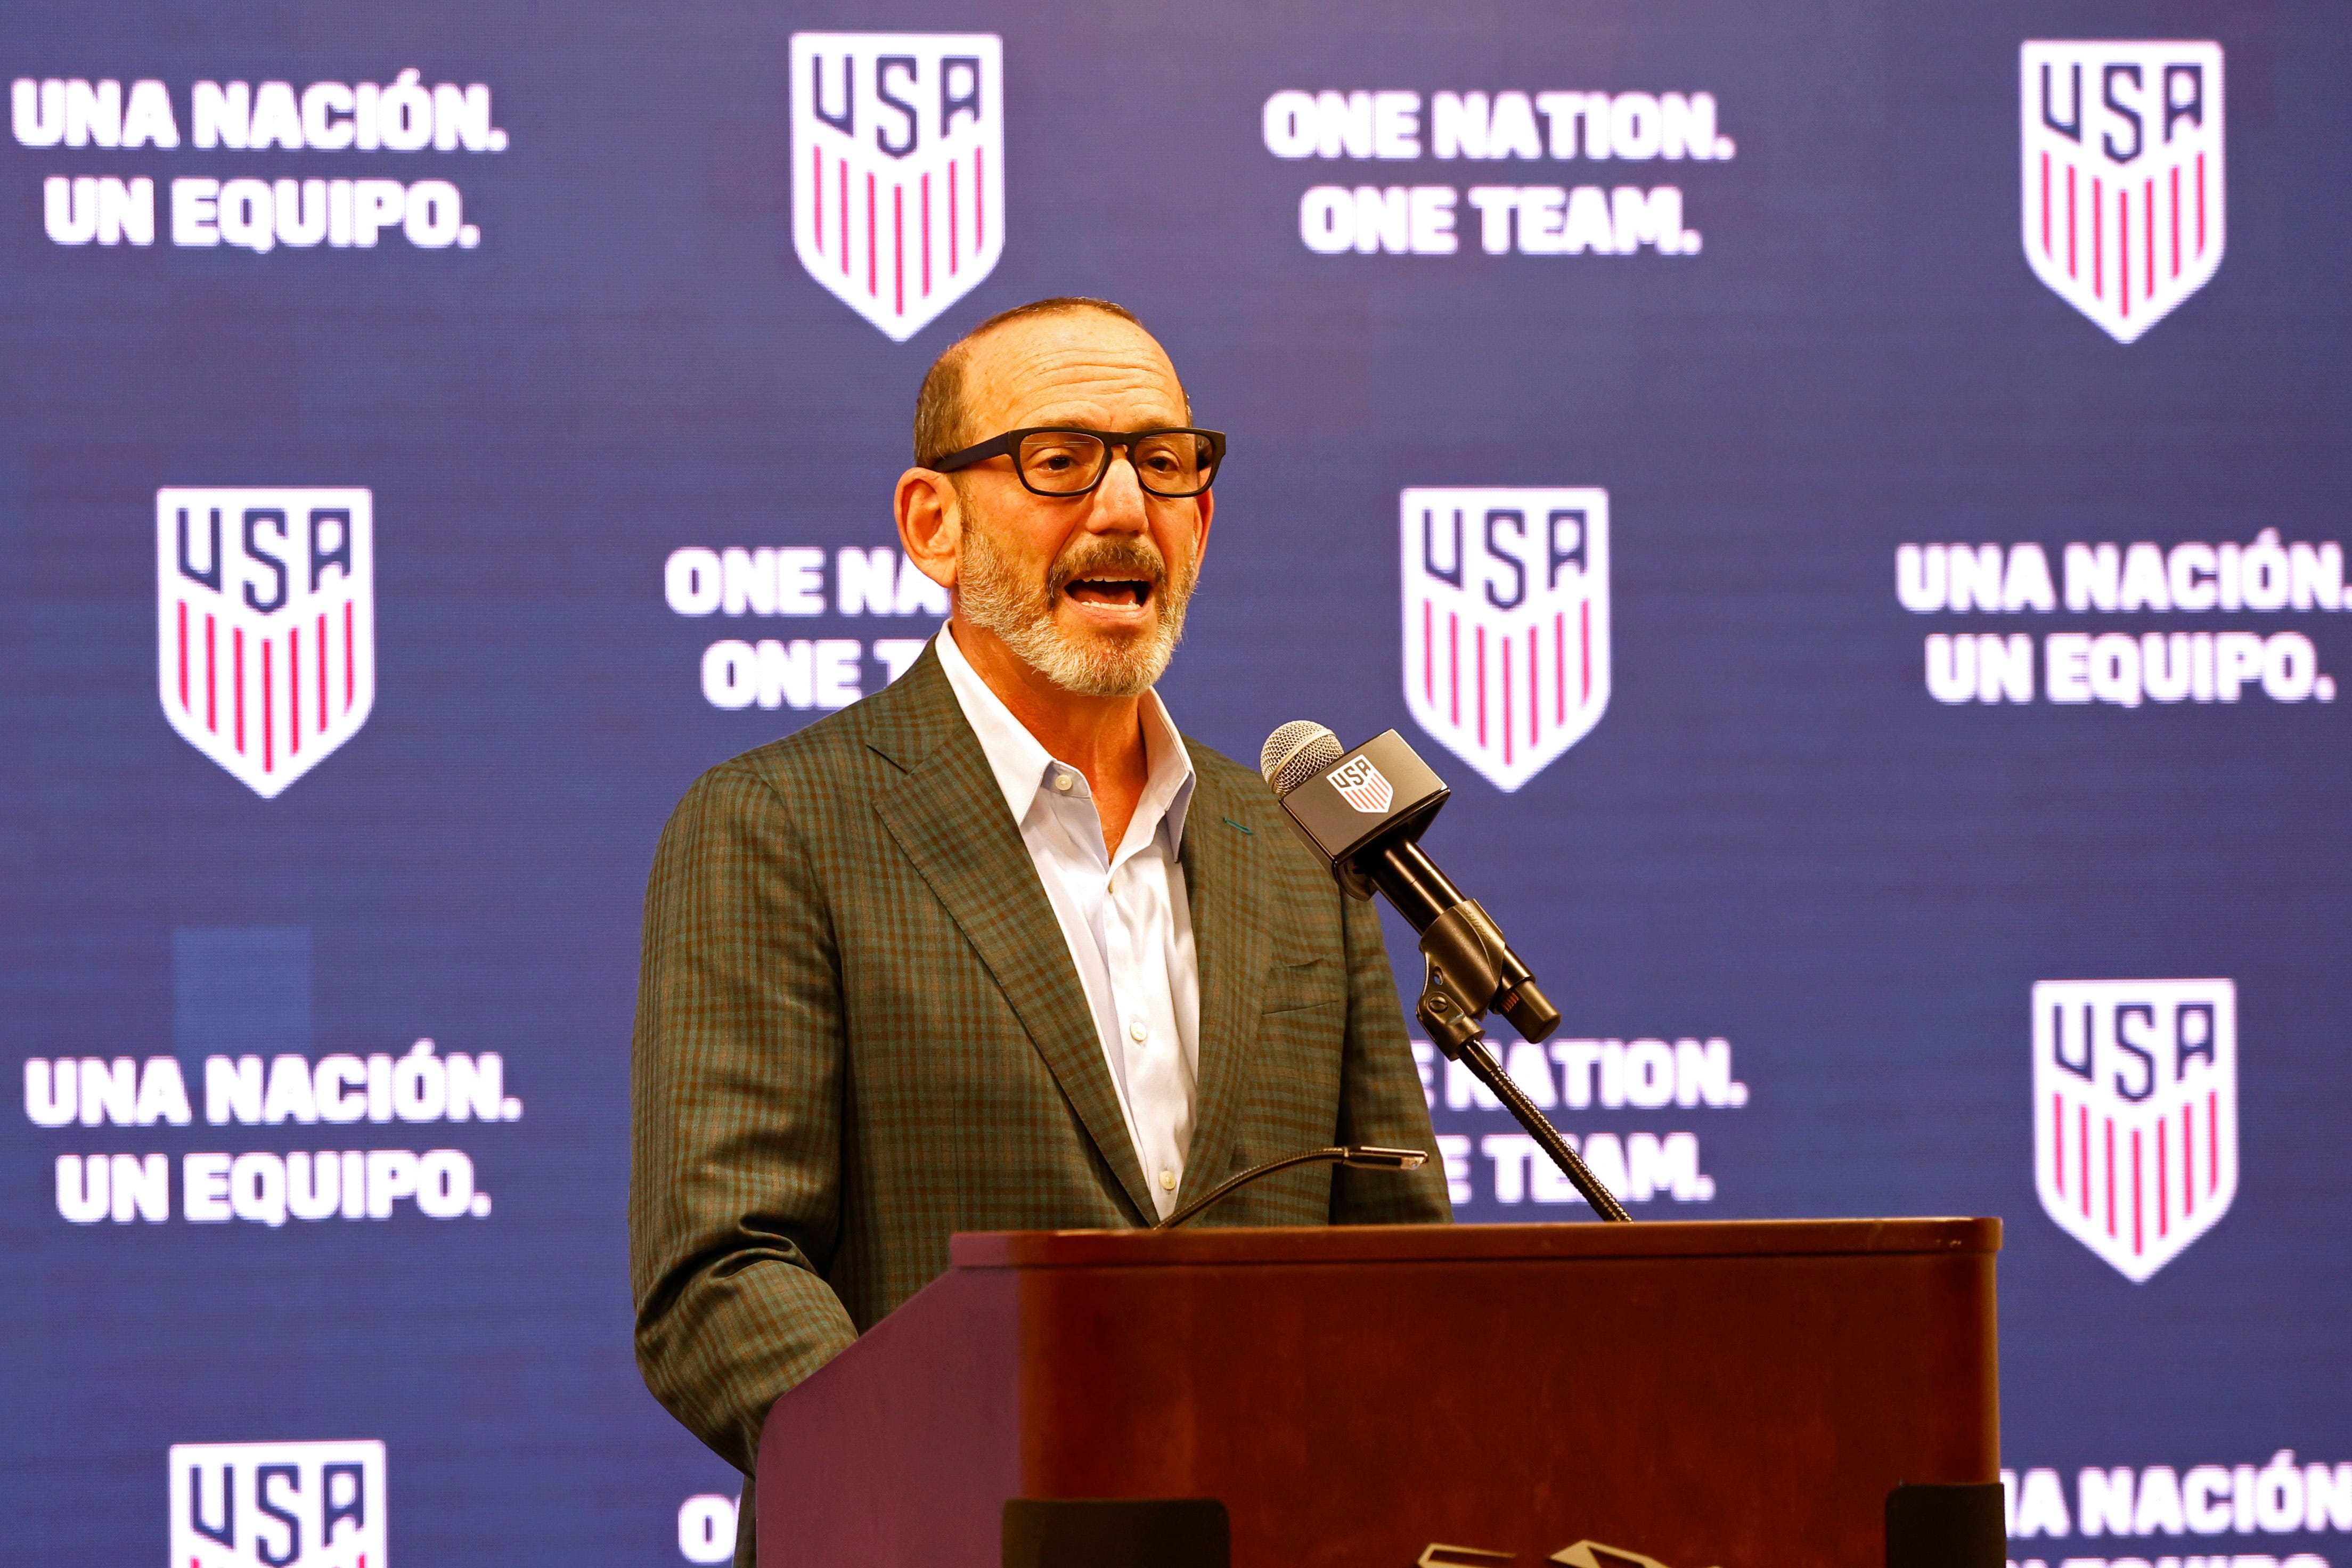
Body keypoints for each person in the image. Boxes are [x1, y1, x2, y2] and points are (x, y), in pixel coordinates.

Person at [628, 296, 1448, 1565]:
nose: (1124, 507)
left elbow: (1397, 1261)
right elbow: (723, 1270)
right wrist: (962, 1486)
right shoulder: (776, 822)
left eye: (1163, 464)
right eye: (1060, 461)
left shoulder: (1294, 842)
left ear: (1204, 518)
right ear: (932, 524)